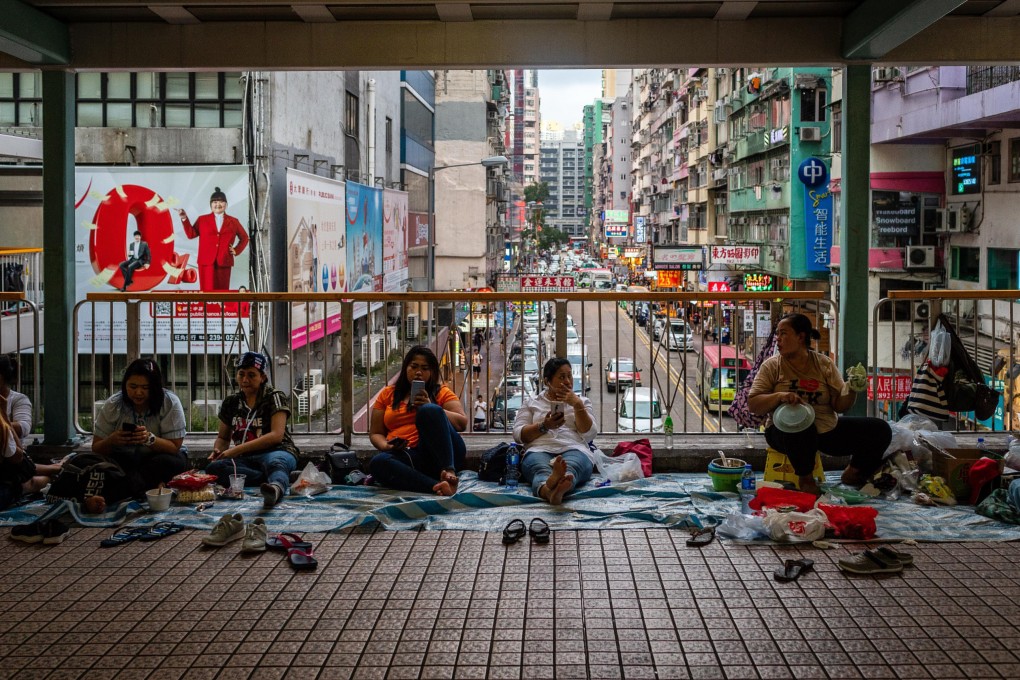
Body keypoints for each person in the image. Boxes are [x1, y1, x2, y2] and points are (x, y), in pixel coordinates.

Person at [747, 313, 890, 496]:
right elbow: (753, 404)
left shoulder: (823, 364)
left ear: (801, 337)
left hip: (825, 429)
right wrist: (780, 396)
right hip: (783, 432)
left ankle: (853, 473)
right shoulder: (772, 366)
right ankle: (805, 480)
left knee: (879, 429)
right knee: (800, 427)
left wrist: (852, 389)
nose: (778, 339)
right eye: (777, 334)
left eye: (783, 333)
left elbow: (840, 406)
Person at [368, 346, 468, 496]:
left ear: (432, 372)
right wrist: (386, 446)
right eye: (414, 367)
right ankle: (437, 487)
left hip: (443, 454)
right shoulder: (388, 394)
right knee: (378, 463)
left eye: (424, 368)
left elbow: (462, 423)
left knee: (429, 411)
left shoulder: (441, 392)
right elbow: (376, 432)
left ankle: (448, 473)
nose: (418, 372)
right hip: (410, 456)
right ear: (406, 368)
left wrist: (431, 405)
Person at [207, 352, 299, 508]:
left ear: (262, 377)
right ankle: (273, 476)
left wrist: (235, 451)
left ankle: (275, 488)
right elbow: (223, 438)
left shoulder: (274, 397)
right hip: (246, 459)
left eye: (251, 375)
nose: (245, 380)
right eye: (241, 374)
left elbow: (276, 436)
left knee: (275, 462)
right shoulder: (231, 402)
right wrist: (218, 451)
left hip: (277, 451)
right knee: (214, 468)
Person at [92, 358, 189, 494]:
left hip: (158, 458)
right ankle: (145, 486)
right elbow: (96, 447)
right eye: (133, 387)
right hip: (124, 459)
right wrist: (112, 440)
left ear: (155, 387)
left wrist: (149, 439)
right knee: (108, 465)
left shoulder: (169, 402)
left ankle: (127, 489)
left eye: (145, 388)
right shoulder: (114, 404)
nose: (138, 393)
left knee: (171, 462)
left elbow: (174, 447)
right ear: (125, 385)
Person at [513, 358, 598, 504]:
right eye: (561, 377)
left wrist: (577, 405)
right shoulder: (532, 402)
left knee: (572, 468)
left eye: (569, 376)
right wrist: (544, 426)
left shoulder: (581, 402)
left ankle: (551, 488)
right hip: (539, 449)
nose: (567, 382)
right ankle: (554, 488)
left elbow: (590, 433)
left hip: (573, 448)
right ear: (547, 381)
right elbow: (518, 434)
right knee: (539, 469)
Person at [176, 186, 250, 292]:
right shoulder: (202, 220)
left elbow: (244, 237)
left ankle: (221, 309)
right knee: (206, 292)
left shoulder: (233, 221)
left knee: (222, 292)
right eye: (215, 202)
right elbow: (191, 234)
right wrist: (184, 218)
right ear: (211, 205)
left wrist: (236, 250)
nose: (218, 204)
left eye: (221, 202)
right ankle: (207, 308)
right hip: (205, 261)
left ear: (226, 204)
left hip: (224, 260)